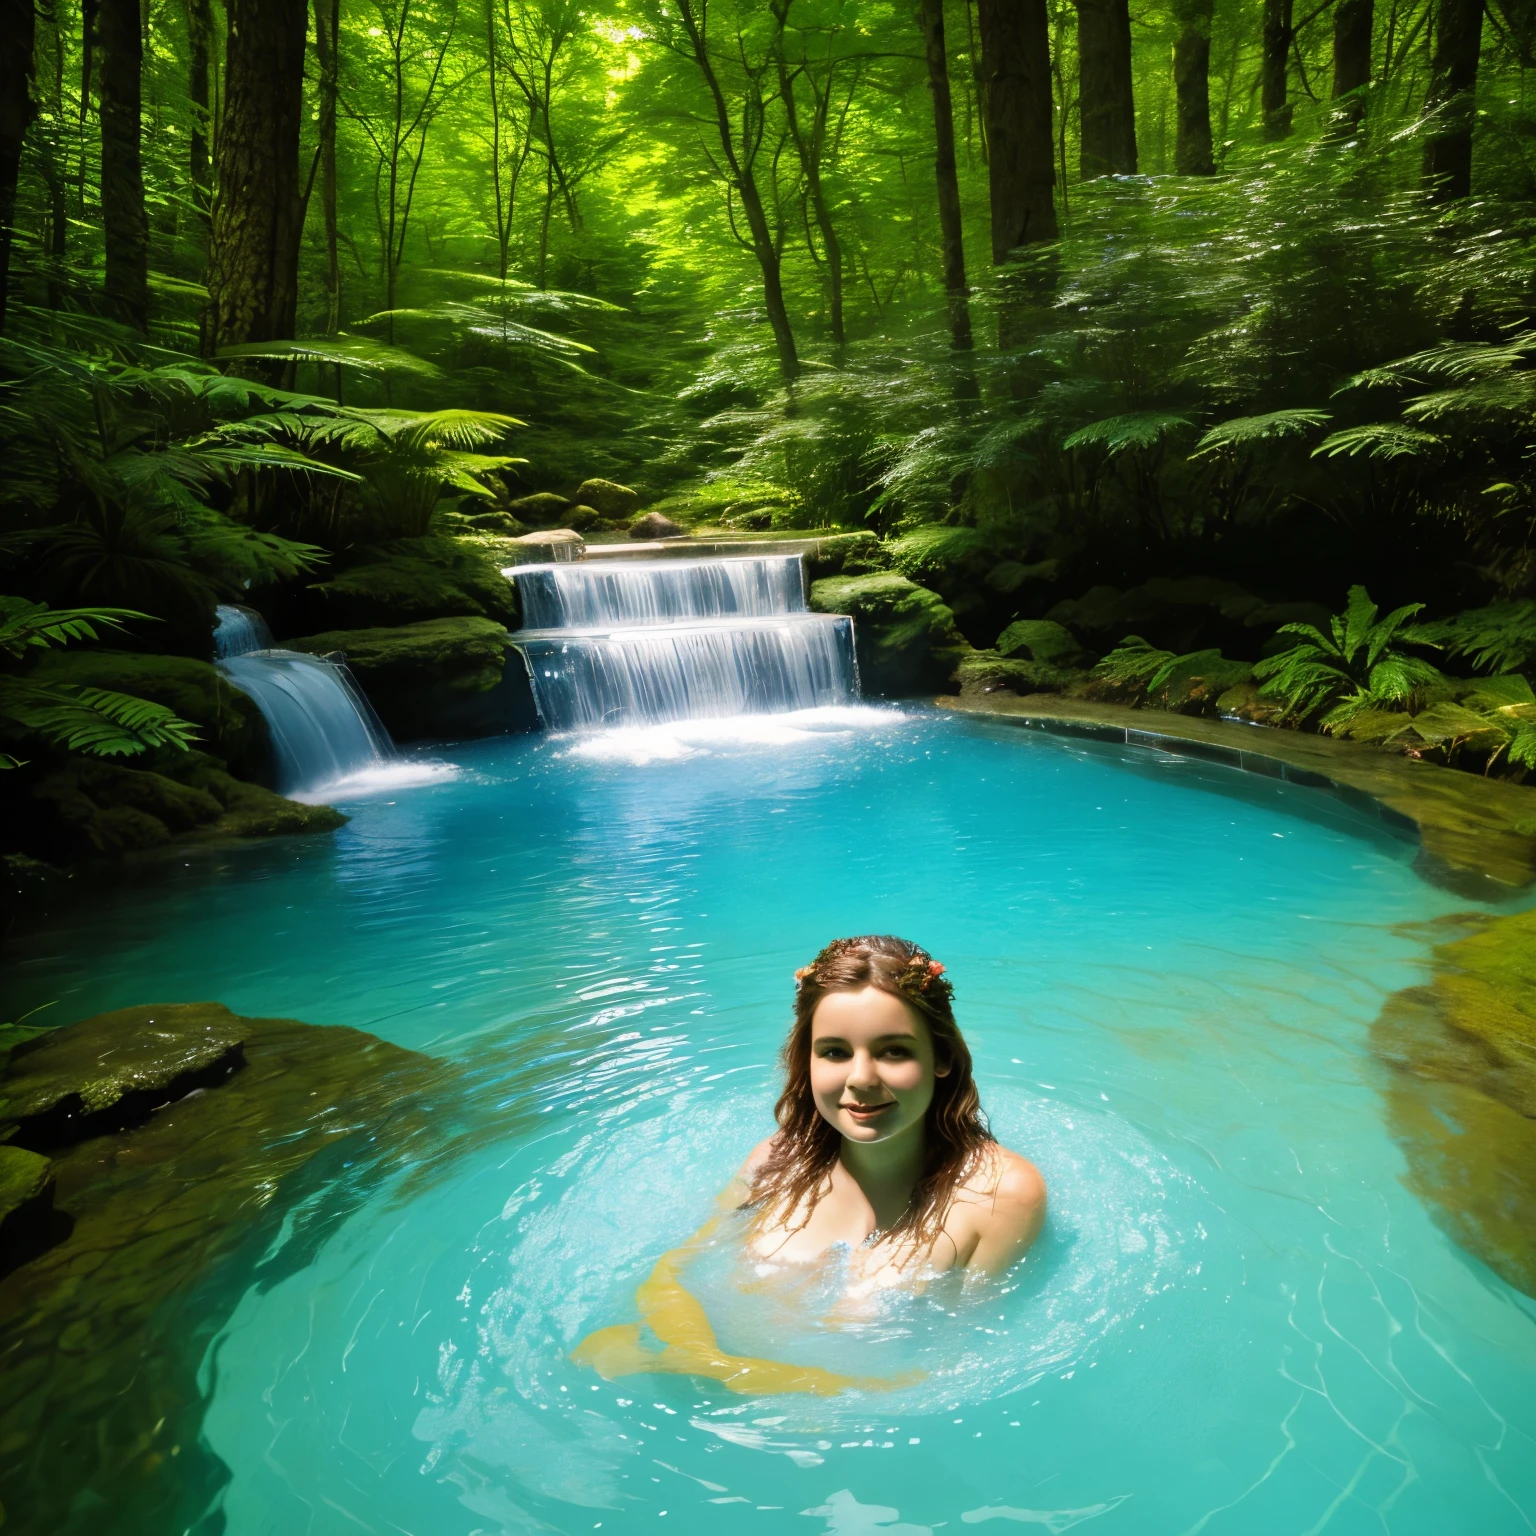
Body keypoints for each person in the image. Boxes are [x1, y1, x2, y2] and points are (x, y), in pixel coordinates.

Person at [572, 935, 1045, 1393]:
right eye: (835, 1052)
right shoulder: (776, 1160)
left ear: (941, 1057)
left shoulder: (998, 1195)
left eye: (894, 1050)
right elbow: (673, 1272)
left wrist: (751, 1380)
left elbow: (952, 1370)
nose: (860, 1078)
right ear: (808, 1060)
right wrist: (696, 1358)